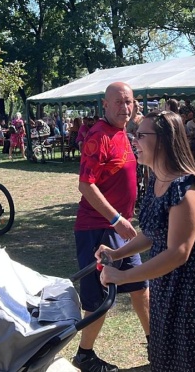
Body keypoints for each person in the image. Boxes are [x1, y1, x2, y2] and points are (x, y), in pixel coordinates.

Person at [98, 110, 195, 372]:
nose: (134, 141)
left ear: (164, 141)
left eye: (141, 135)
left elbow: (178, 252)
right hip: (172, 283)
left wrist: (124, 277)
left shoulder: (186, 189)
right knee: (175, 359)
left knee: (194, 362)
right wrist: (117, 253)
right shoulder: (159, 181)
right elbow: (153, 232)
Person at [72, 82, 150, 372]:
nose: (124, 107)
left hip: (120, 229)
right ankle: (85, 355)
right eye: (118, 102)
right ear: (104, 105)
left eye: (129, 101)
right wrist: (116, 220)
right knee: (97, 298)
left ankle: (156, 343)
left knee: (141, 285)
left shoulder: (123, 134)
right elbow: (85, 184)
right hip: (98, 229)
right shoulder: (97, 136)